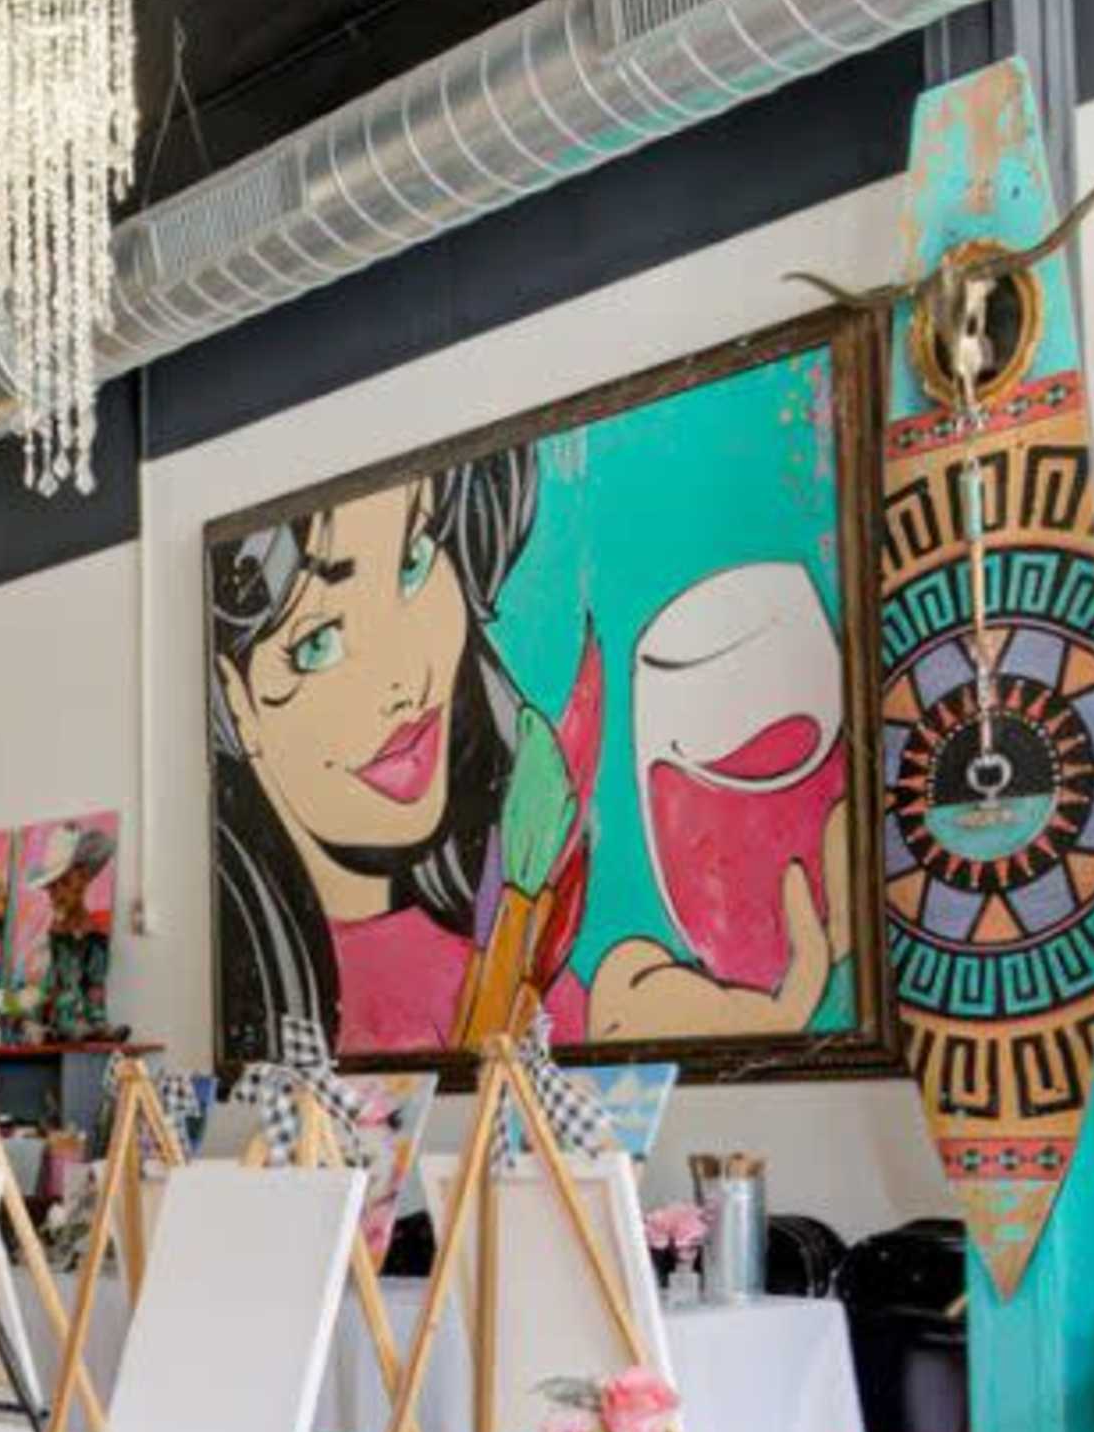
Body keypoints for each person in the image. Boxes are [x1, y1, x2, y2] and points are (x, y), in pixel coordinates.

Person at [208, 450, 844, 1059]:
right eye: (318, 642)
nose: (409, 683)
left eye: (414, 561)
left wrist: (628, 1014)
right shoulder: (283, 1015)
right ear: (235, 698)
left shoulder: (496, 917)